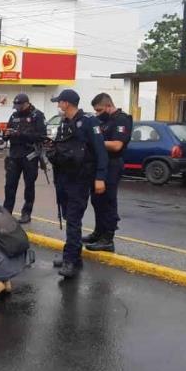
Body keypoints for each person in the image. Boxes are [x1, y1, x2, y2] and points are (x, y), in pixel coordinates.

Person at [46, 89, 108, 278]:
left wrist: (100, 177)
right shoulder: (65, 123)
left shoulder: (89, 122)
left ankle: (70, 260)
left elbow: (100, 152)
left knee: (73, 219)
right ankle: (74, 256)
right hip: (64, 177)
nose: (58, 105)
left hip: (80, 179)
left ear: (67, 103)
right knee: (69, 217)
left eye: (60, 102)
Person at [83, 93, 133, 252]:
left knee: (108, 201)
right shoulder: (103, 121)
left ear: (108, 106)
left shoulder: (121, 119)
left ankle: (108, 238)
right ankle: (98, 232)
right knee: (97, 200)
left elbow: (117, 145)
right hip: (99, 165)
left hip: (112, 164)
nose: (97, 114)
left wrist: (95, 142)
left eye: (99, 110)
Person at [3, 93, 47, 224]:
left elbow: (41, 136)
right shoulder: (14, 115)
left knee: (29, 186)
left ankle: (26, 213)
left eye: (19, 105)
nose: (17, 108)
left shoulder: (37, 115)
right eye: (16, 105)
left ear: (26, 104)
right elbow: (8, 130)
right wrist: (5, 135)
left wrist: (20, 134)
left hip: (29, 156)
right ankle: (6, 212)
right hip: (14, 155)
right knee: (9, 185)